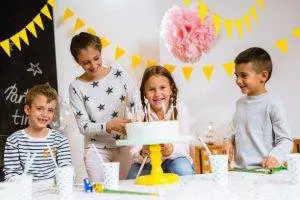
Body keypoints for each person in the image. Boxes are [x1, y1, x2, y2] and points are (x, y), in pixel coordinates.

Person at [69, 32, 141, 182]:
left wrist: (135, 124)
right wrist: (108, 125)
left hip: (124, 145)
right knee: (102, 193)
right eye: (86, 62)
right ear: (78, 62)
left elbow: (136, 103)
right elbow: (83, 127)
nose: (93, 65)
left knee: (125, 190)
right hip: (96, 149)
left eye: (96, 58)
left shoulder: (119, 74)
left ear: (101, 52)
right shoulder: (76, 87)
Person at [223, 47, 293, 169]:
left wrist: (275, 157)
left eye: (244, 76)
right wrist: (227, 141)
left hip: (265, 172)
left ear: (263, 76)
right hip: (240, 171)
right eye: (236, 75)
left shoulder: (273, 103)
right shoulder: (240, 104)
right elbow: (232, 131)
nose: (238, 81)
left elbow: (286, 140)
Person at [127, 65, 194, 179]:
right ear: (144, 93)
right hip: (148, 161)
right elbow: (134, 149)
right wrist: (142, 151)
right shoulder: (139, 114)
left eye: (162, 87)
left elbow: (184, 144)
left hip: (174, 158)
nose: (158, 94)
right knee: (133, 176)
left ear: (171, 89)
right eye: (151, 89)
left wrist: (171, 149)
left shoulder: (181, 109)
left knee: (184, 170)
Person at [4, 83, 72, 181]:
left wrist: (65, 178)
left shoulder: (60, 140)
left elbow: (66, 169)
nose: (45, 114)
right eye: (39, 108)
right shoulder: (14, 141)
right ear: (28, 110)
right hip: (26, 193)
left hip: (53, 193)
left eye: (50, 110)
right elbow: (11, 176)